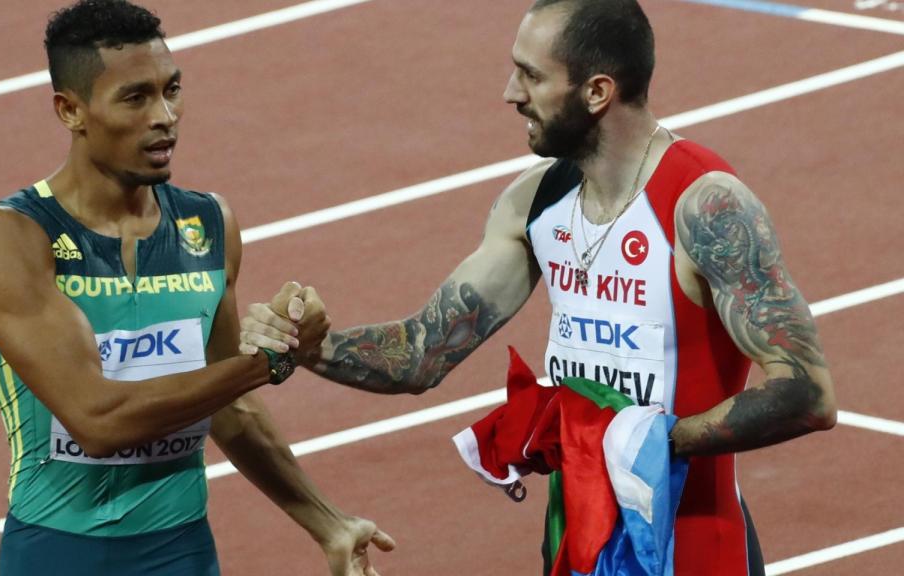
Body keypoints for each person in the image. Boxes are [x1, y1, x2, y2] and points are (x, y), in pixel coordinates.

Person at [238, 0, 837, 574]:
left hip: (695, 549)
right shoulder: (536, 202)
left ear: (597, 92)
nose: (511, 92)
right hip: (576, 541)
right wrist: (308, 346)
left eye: (531, 75)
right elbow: (422, 351)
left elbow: (807, 393)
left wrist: (638, 444)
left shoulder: (704, 206)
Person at [0, 1, 394, 574]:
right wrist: (271, 360)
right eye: (135, 98)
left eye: (172, 90)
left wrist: (328, 522)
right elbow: (98, 422)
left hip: (182, 550)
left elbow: (229, 405)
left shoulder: (208, 224)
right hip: (57, 552)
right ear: (70, 110)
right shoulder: (11, 237)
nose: (164, 116)